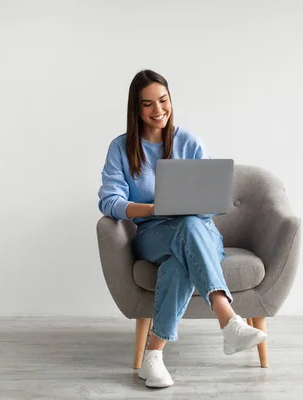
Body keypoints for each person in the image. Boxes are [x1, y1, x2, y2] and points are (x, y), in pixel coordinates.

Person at [97, 70, 267, 388]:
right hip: (152, 233)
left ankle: (154, 357)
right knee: (183, 229)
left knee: (182, 255)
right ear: (136, 109)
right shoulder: (120, 148)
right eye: (147, 104)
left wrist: (196, 204)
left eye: (163, 100)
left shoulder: (189, 141)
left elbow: (214, 202)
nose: (158, 110)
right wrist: (152, 208)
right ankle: (228, 318)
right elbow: (109, 201)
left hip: (200, 229)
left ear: (171, 100)